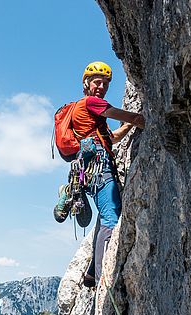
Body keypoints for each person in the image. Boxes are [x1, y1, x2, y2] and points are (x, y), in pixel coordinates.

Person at [54, 61, 145, 287]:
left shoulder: (83, 113)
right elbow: (116, 113)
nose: (102, 87)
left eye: (105, 84)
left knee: (103, 218)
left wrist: (128, 127)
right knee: (111, 218)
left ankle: (92, 274)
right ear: (86, 84)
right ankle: (106, 277)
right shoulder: (92, 103)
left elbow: (110, 139)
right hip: (99, 167)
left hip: (86, 168)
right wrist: (142, 118)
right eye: (97, 82)